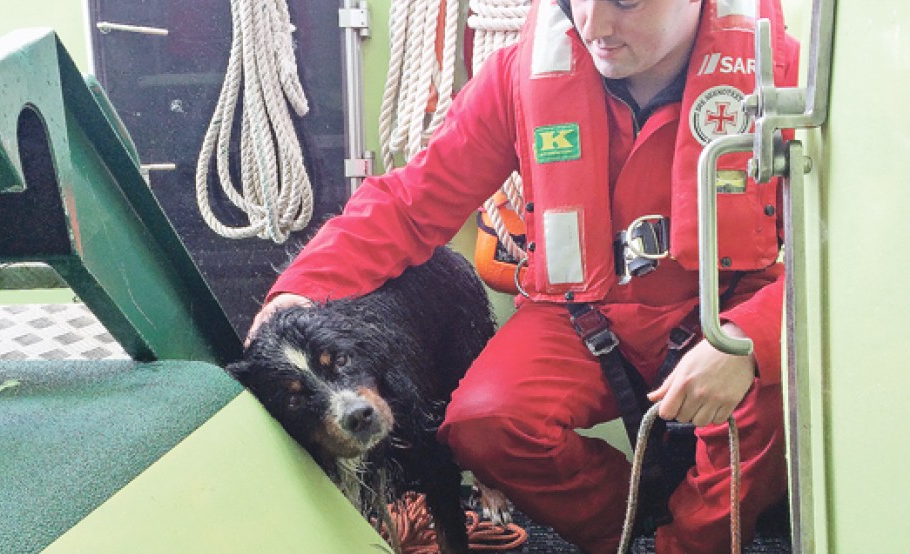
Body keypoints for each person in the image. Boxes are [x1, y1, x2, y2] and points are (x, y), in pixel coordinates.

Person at [247, 0, 800, 552]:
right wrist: (299, 289)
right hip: (579, 309)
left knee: (768, 399)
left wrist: (749, 341)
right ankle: (633, 532)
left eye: (625, 2)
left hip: (722, 303)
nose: (593, 27)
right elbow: (412, 203)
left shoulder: (789, 81)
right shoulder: (519, 76)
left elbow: (853, 252)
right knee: (484, 423)